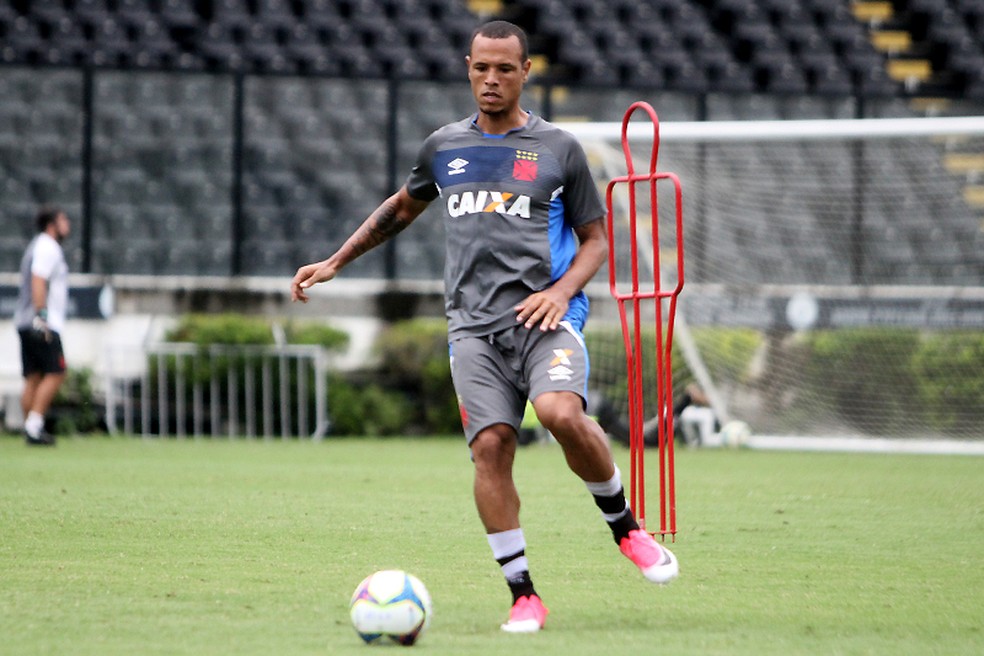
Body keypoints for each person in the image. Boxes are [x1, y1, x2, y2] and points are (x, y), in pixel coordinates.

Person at [291, 21, 677, 633]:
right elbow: (400, 208)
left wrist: (560, 291)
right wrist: (336, 261)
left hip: (545, 317)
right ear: (467, 68)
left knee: (559, 415)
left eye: (504, 69)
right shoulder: (444, 145)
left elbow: (596, 241)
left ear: (526, 73)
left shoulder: (559, 149)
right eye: (480, 68)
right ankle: (524, 594)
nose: (491, 79)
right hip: (472, 329)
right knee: (491, 447)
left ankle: (626, 529)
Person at [14, 206, 71, 446]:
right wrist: (42, 316)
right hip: (41, 321)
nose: (67, 224)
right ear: (52, 224)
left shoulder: (37, 245)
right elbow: (38, 280)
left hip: (24, 320)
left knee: (34, 377)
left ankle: (30, 429)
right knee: (57, 372)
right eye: (63, 220)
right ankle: (35, 426)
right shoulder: (48, 246)